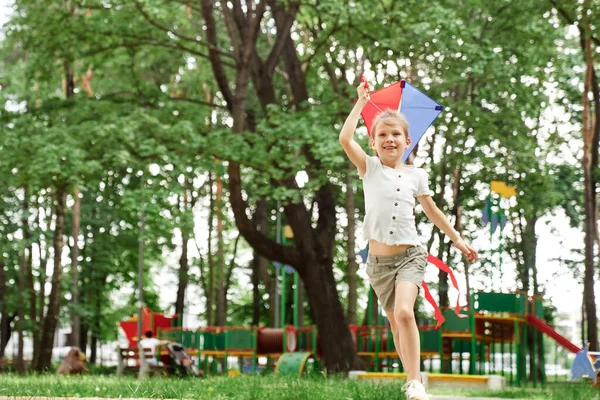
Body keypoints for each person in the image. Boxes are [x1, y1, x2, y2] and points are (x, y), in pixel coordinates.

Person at [339, 81, 478, 400]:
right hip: (378, 265)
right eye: (382, 134)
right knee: (396, 325)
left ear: (408, 141)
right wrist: (361, 102)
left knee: (405, 313)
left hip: (410, 256)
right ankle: (412, 380)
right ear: (373, 142)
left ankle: (415, 383)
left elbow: (433, 211)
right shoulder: (369, 168)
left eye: (396, 134)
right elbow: (345, 138)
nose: (389, 139)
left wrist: (457, 239)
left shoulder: (417, 175)